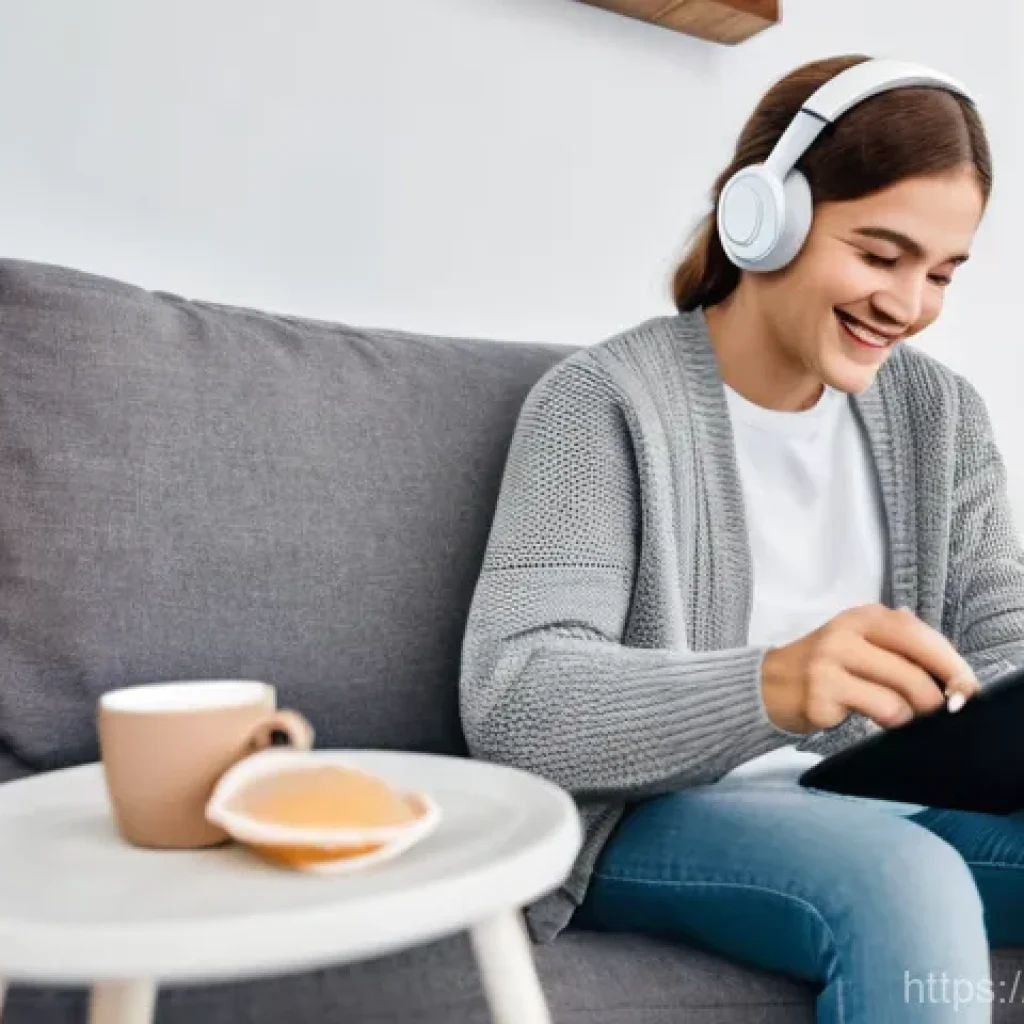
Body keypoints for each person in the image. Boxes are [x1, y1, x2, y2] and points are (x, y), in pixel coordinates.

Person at [458, 53, 1024, 1023]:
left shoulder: (942, 417)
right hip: (649, 814)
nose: (910, 304)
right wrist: (771, 685)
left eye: (940, 273)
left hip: (879, 803)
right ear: (766, 216)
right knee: (906, 881)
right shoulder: (601, 403)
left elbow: (999, 639)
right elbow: (517, 699)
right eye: (879, 255)